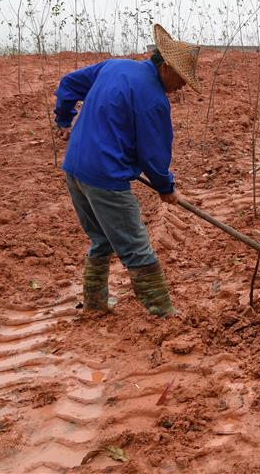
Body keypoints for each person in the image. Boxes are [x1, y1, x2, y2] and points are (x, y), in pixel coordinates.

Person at [54, 23, 201, 316]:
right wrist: (166, 187)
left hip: (74, 168)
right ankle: (163, 314)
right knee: (136, 246)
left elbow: (68, 84)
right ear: (166, 66)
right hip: (105, 178)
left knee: (101, 238)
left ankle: (94, 305)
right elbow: (154, 156)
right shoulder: (154, 101)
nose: (183, 85)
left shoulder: (113, 67)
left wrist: (64, 119)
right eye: (182, 77)